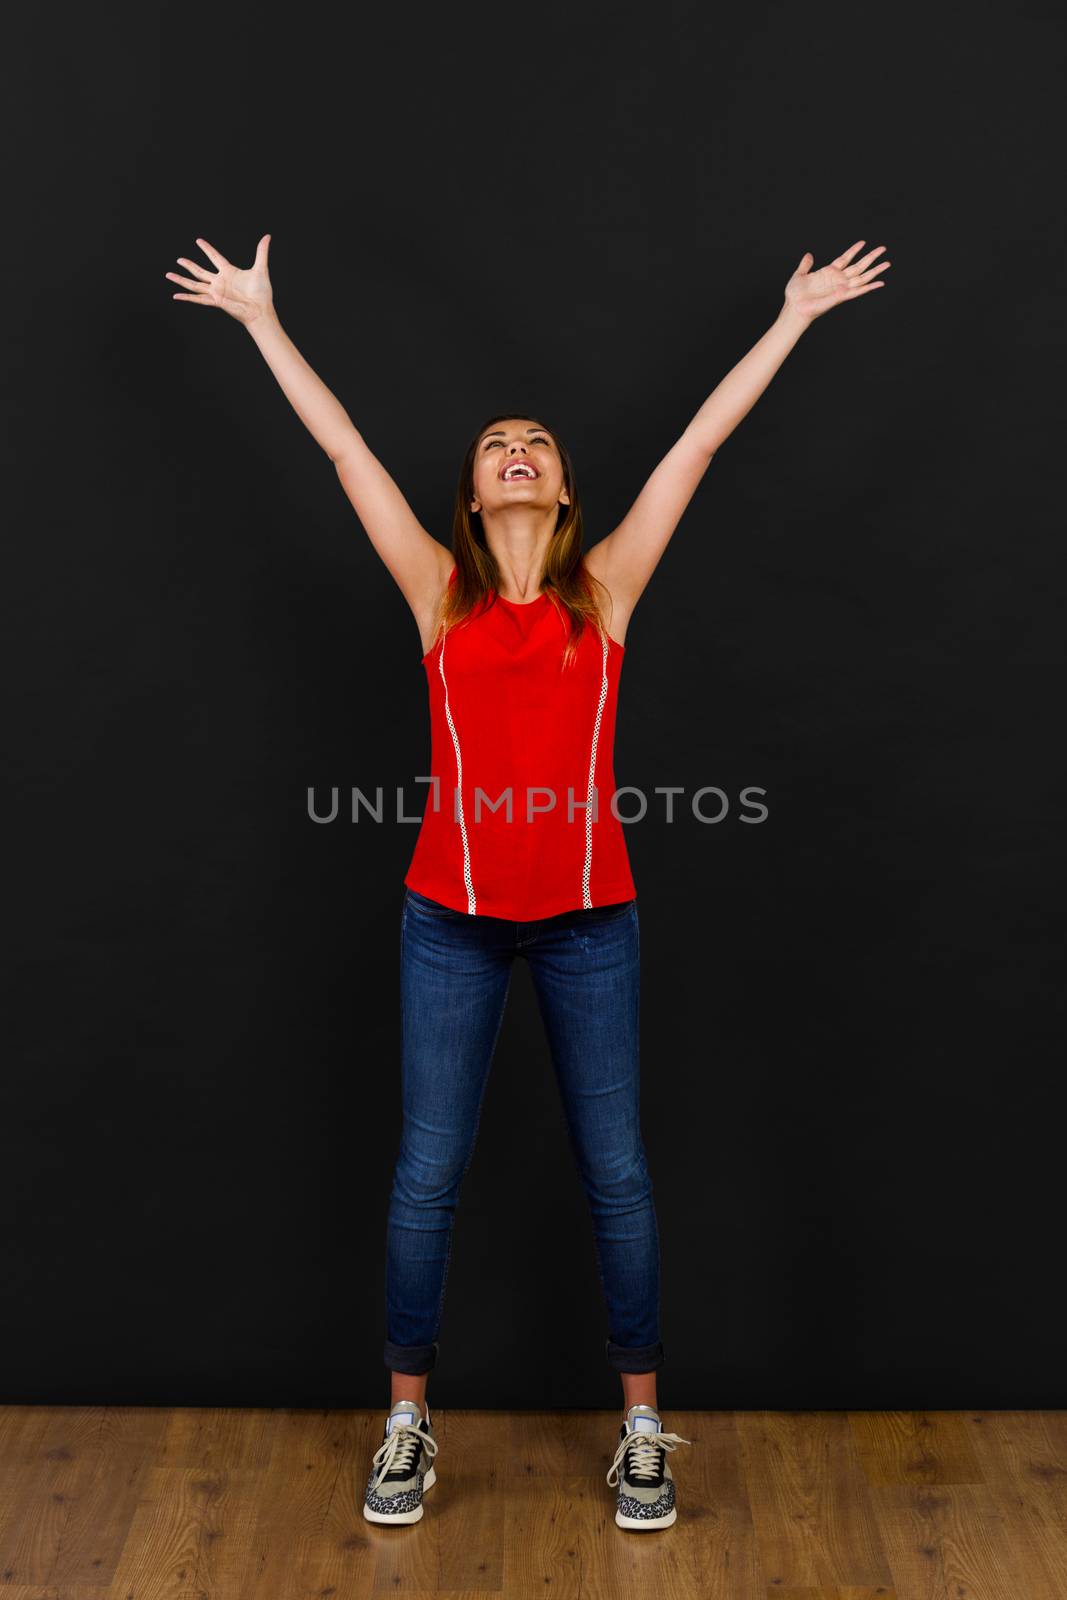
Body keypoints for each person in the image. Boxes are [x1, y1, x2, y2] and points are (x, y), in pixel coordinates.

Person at [166, 233, 891, 1531]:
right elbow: (344, 455)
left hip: (588, 927)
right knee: (424, 1176)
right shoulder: (436, 598)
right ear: (475, 491)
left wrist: (791, 318)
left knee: (617, 1174)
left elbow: (697, 452)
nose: (518, 449)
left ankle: (644, 1432)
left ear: (559, 499)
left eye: (538, 445)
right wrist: (260, 320)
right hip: (447, 922)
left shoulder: (603, 592)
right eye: (498, 442)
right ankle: (406, 1423)